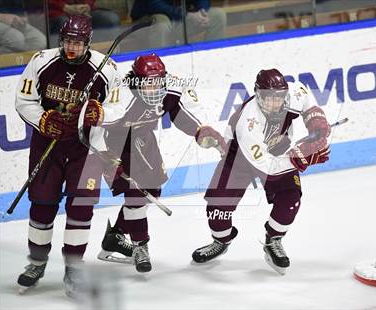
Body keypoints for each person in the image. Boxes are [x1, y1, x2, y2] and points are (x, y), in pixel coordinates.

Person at [14, 15, 127, 296]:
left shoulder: (107, 68)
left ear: (87, 42)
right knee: (42, 204)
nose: (71, 48)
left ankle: (74, 268)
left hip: (86, 148)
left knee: (80, 209)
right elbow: (24, 100)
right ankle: (37, 262)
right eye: (67, 41)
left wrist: (99, 113)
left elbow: (119, 106)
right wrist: (43, 119)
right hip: (48, 144)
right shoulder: (41, 61)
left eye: (77, 42)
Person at [191, 69, 331, 274]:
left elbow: (309, 105)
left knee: (291, 197)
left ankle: (273, 240)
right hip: (239, 156)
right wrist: (300, 158)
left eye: (279, 97)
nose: (275, 103)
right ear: (258, 94)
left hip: (276, 149)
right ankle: (221, 240)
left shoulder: (295, 92)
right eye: (268, 98)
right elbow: (268, 168)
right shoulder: (248, 122)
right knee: (217, 208)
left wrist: (317, 128)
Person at [97, 53, 226, 273]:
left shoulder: (169, 90)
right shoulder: (121, 98)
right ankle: (140, 246)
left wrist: (199, 131)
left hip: (145, 141)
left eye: (158, 82)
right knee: (135, 195)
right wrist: (105, 157)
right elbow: (94, 127)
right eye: (148, 83)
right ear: (136, 81)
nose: (155, 88)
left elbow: (179, 114)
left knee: (152, 192)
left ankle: (114, 237)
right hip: (116, 145)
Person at [130, 0, 226, 48]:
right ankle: (161, 70)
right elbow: (154, 5)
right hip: (146, 21)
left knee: (218, 15)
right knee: (162, 23)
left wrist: (202, 12)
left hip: (179, 18)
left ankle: (210, 59)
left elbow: (203, 1)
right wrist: (187, 15)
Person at [48, 0, 120, 34]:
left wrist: (87, 5)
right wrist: (64, 7)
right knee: (66, 24)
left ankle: (108, 55)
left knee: (112, 19)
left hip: (85, 11)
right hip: (58, 12)